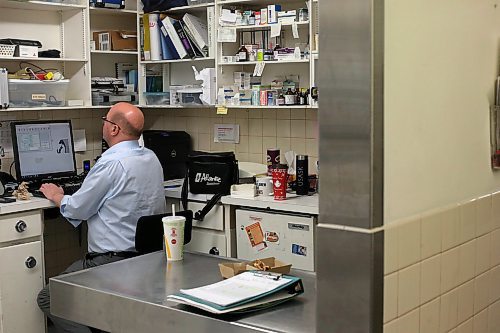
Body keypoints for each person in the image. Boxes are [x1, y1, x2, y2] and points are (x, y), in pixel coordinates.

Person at [37, 102, 166, 333]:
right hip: (147, 260)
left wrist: (57, 195)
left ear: (114, 129)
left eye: (105, 120)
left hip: (110, 263)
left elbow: (78, 209)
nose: (104, 125)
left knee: (50, 296)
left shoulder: (111, 163)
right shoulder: (151, 157)